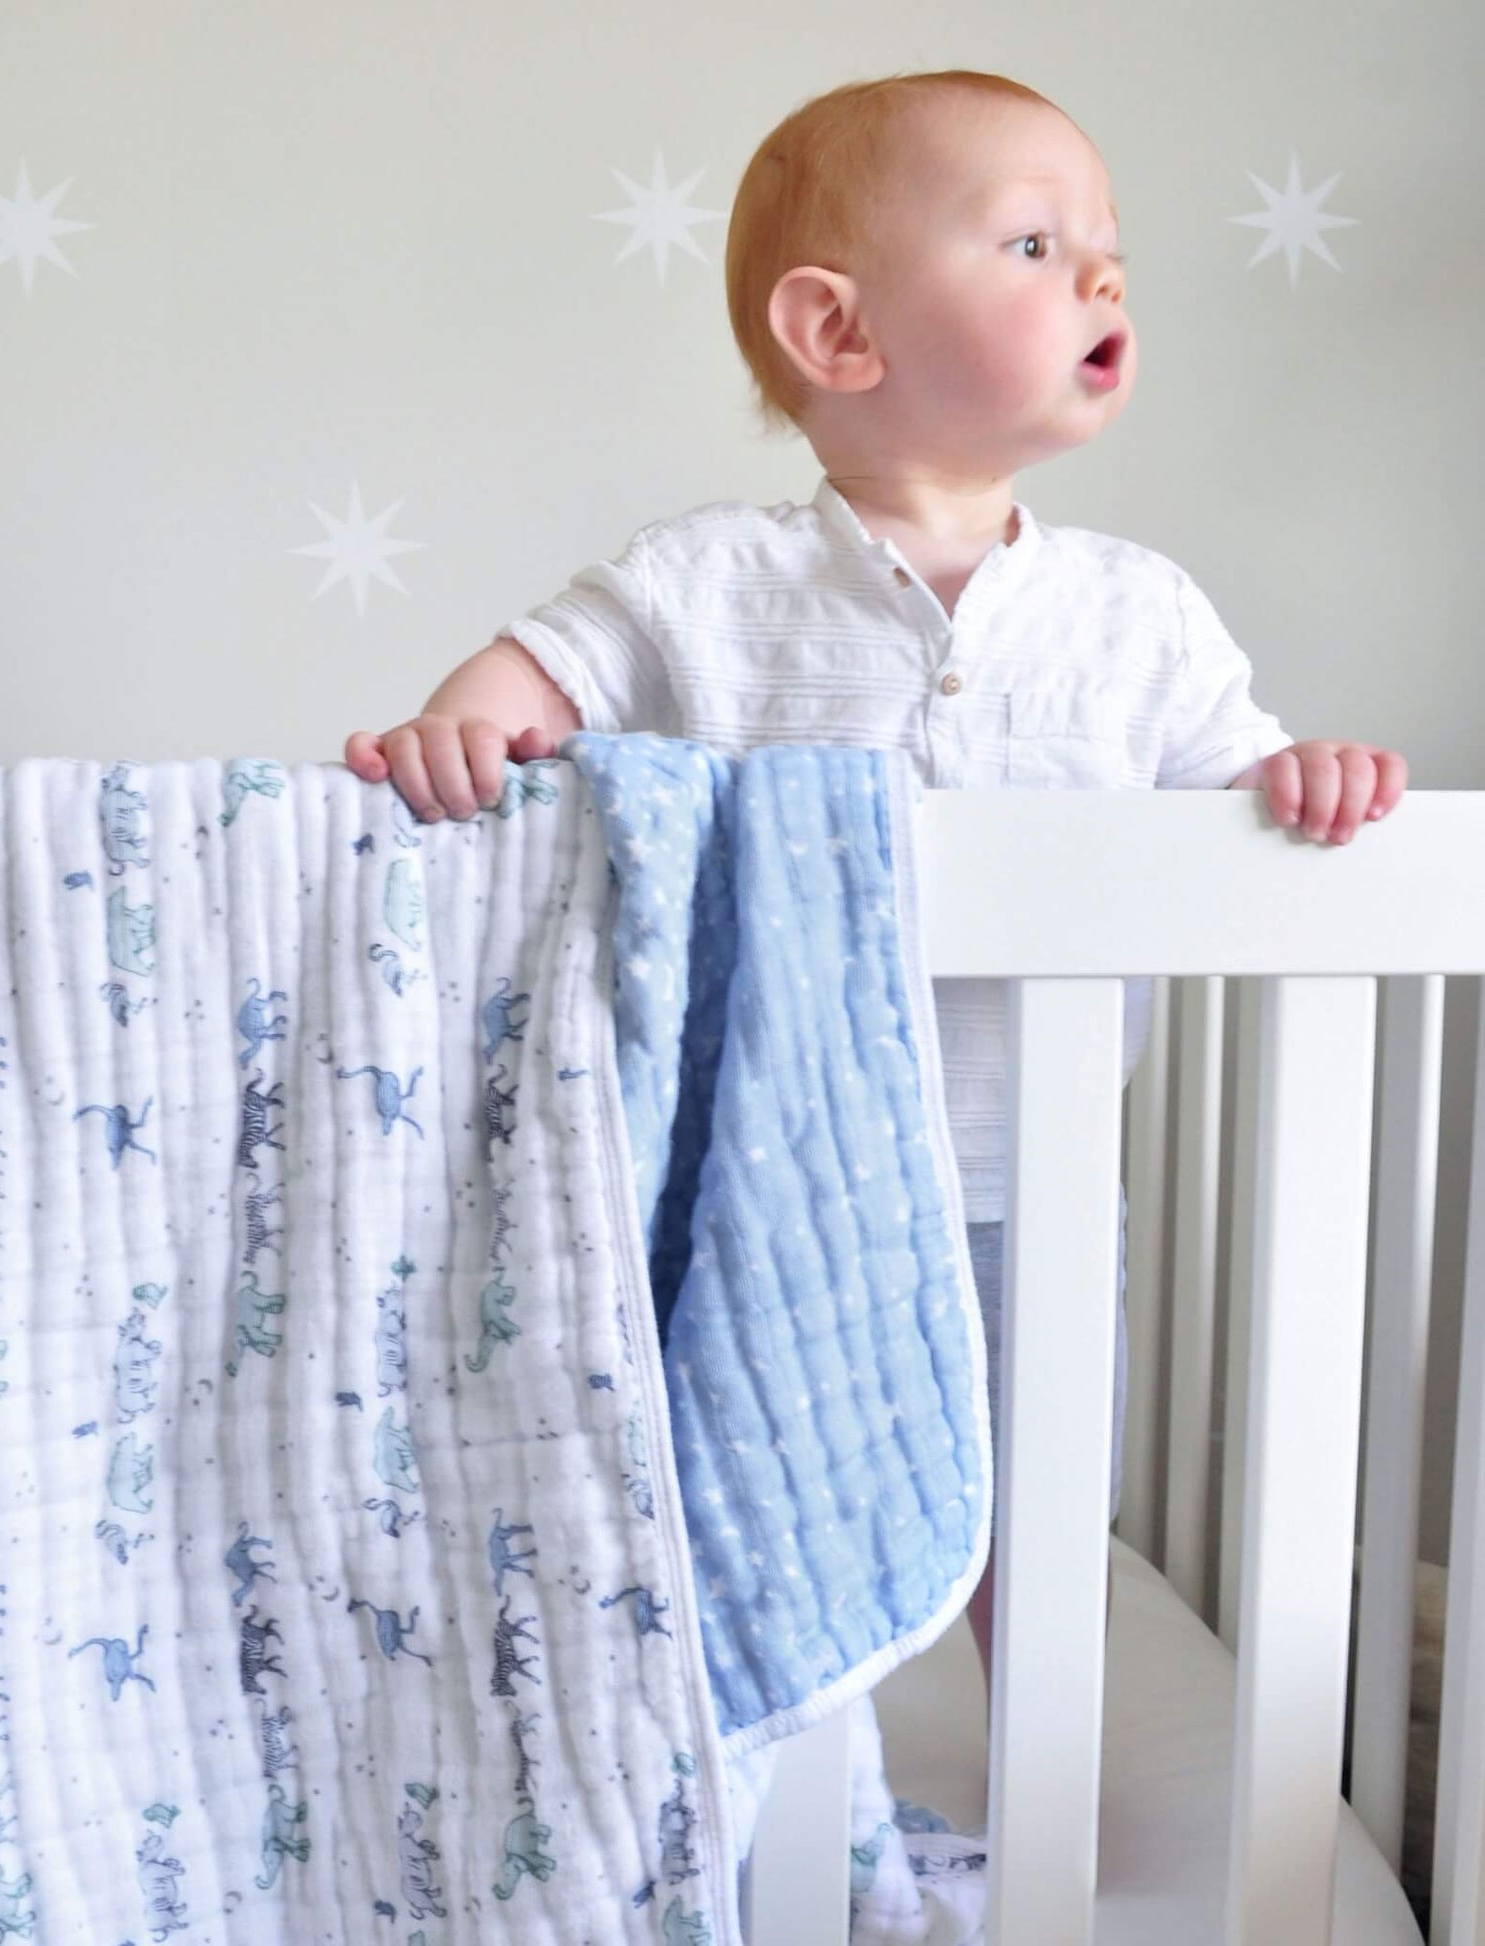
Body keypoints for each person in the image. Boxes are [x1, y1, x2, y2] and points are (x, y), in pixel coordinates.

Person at [341, 68, 1408, 1720]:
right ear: (837, 334)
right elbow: (525, 685)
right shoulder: (707, 583)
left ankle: (1049, 1781)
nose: (1104, 277)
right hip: (764, 1170)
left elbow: (1239, 797)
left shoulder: (1141, 616)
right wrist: (460, 739)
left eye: (1108, 250)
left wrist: (1307, 785)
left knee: (1036, 1512)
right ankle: (775, 1777)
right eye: (1037, 243)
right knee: (762, 1485)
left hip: (1029, 1177)